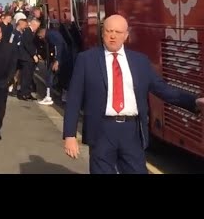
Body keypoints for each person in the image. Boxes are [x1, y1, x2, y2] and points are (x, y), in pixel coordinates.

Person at [63, 14, 204, 174]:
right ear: (102, 33)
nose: (113, 36)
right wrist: (70, 135)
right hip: (101, 130)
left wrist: (194, 102)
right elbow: (74, 99)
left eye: (118, 32)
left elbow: (163, 89)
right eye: (109, 31)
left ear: (126, 35)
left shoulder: (140, 61)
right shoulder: (86, 60)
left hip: (132, 130)